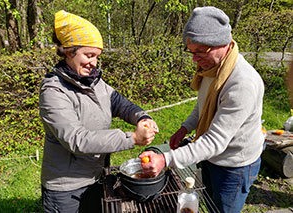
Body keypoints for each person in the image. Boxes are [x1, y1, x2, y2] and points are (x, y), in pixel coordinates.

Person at [140, 6, 265, 213]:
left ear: (222, 43)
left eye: (200, 51)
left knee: (223, 210)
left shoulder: (241, 83)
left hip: (234, 165)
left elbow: (215, 140)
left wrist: (166, 159)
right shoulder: (212, 69)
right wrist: (185, 128)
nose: (194, 59)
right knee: (210, 203)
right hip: (211, 156)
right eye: (191, 51)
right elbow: (203, 106)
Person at [39, 10, 159, 213]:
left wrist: (142, 117)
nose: (94, 63)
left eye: (96, 56)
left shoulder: (94, 81)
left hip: (96, 177)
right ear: (69, 51)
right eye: (89, 55)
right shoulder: (53, 91)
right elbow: (77, 140)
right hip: (65, 188)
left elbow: (121, 104)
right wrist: (132, 138)